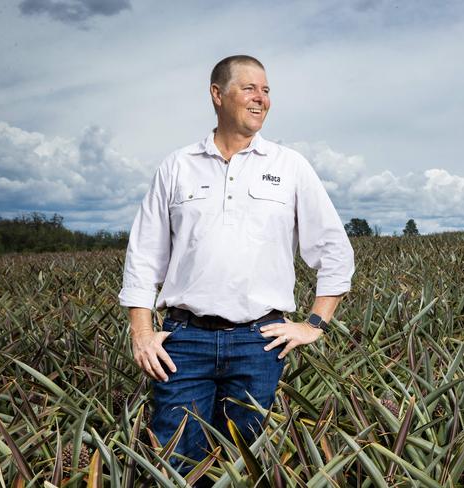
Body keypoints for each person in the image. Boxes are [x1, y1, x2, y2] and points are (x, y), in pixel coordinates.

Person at [118, 54, 354, 476]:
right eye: (250, 88)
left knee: (248, 469)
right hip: (182, 342)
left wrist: (315, 323)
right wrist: (141, 332)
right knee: (176, 465)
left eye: (266, 91)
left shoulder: (289, 166)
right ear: (217, 95)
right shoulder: (177, 166)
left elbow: (334, 249)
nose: (261, 98)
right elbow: (143, 256)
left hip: (258, 342)